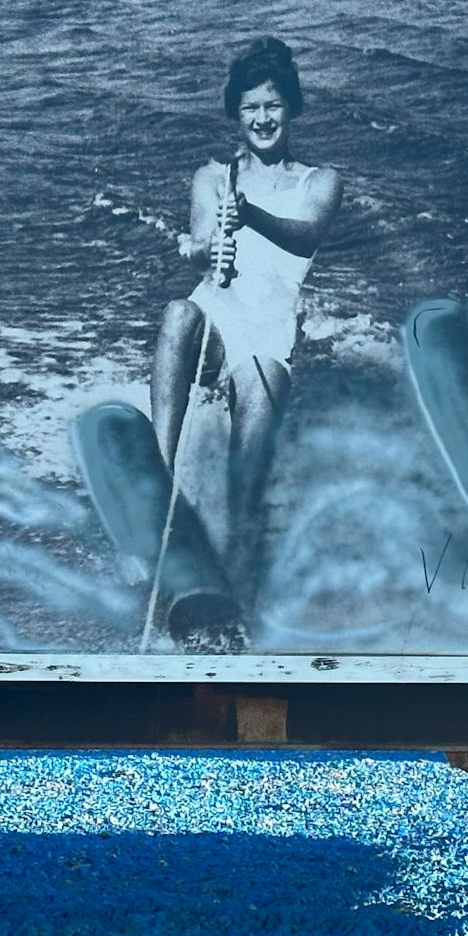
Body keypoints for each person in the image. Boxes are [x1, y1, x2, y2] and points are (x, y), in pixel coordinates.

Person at [151, 37, 342, 590]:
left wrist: (251, 215)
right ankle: (159, 482)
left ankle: (236, 576)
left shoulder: (320, 182)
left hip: (267, 337)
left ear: (293, 108)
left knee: (252, 443)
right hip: (216, 322)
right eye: (250, 107)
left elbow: (305, 238)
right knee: (177, 313)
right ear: (236, 113)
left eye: (273, 105)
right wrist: (204, 246)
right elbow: (200, 236)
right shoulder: (212, 178)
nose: (262, 118)